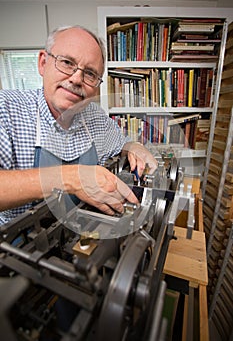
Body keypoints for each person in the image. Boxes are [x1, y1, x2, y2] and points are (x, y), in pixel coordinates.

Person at [0, 25, 157, 225]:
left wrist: (135, 148)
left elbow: (122, 144)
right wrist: (72, 179)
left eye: (90, 74)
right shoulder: (5, 109)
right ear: (43, 63)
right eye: (66, 62)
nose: (76, 79)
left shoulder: (95, 117)